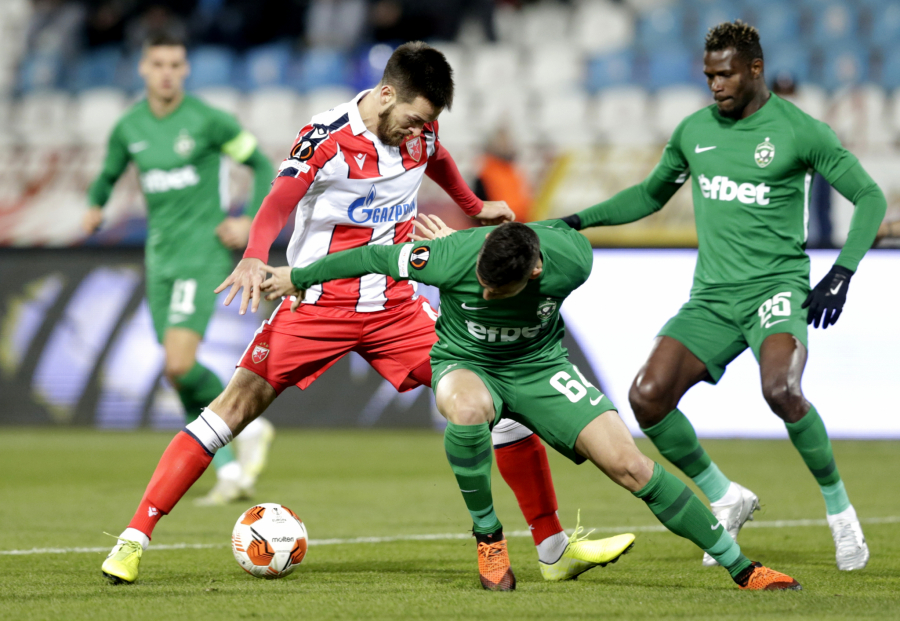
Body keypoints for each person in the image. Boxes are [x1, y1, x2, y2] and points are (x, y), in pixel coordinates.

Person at [100, 41, 631, 586]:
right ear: (384, 94)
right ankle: (133, 539)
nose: (417, 131)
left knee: (498, 403)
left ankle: (551, 548)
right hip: (317, 304)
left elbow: (439, 160)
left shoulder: (422, 134)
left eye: (428, 122)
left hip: (395, 307)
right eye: (413, 118)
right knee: (231, 409)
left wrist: (474, 206)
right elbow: (279, 200)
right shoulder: (325, 138)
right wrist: (257, 253)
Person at [259, 218, 802, 592]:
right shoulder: (450, 256)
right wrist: (293, 276)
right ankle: (489, 539)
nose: (486, 294)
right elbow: (369, 255)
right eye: (481, 285)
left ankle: (742, 568)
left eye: (500, 288)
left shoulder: (572, 259)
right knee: (467, 410)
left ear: (536, 271)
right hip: (466, 361)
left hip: (542, 367)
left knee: (632, 466)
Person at [558, 21, 886, 571]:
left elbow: (870, 198)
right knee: (647, 397)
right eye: (708, 75)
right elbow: (649, 195)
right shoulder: (694, 131)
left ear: (755, 70)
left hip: (774, 290)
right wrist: (575, 220)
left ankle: (840, 514)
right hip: (711, 297)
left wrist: (842, 273)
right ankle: (726, 496)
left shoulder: (801, 131)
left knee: (781, 390)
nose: (715, 85)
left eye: (725, 74)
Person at [85, 33, 277, 507]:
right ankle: (231, 468)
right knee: (177, 374)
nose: (167, 72)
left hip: (202, 252)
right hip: (160, 258)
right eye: (158, 63)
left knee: (178, 363)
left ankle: (249, 423)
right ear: (144, 70)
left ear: (185, 70)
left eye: (175, 63)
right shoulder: (129, 127)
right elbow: (109, 173)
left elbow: (260, 162)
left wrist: (247, 219)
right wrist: (94, 206)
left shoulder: (208, 120)